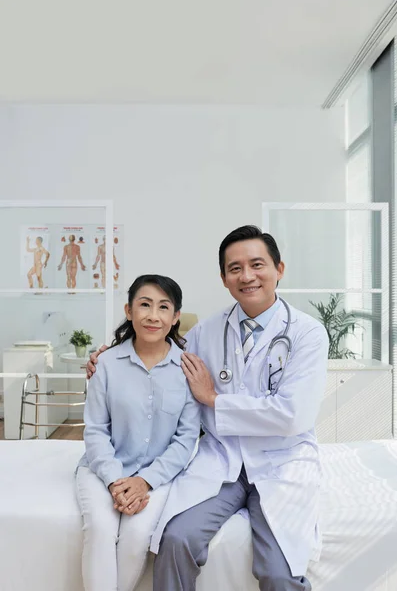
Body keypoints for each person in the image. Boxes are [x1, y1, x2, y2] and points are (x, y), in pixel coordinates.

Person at [87, 225, 329, 591]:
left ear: (279, 269)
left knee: (279, 573)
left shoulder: (308, 333)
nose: (246, 276)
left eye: (257, 264)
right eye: (235, 268)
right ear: (224, 278)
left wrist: (215, 400)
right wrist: (107, 359)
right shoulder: (205, 332)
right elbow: (157, 352)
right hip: (222, 459)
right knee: (175, 541)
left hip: (282, 462)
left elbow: (293, 415)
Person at [77, 274, 200, 591]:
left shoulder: (188, 370)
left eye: (163, 307)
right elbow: (95, 431)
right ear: (129, 311)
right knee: (102, 528)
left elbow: (186, 440)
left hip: (157, 476)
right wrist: (116, 480)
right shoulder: (105, 364)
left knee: (136, 535)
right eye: (144, 305)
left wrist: (144, 481)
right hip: (102, 469)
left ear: (175, 318)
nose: (153, 315)